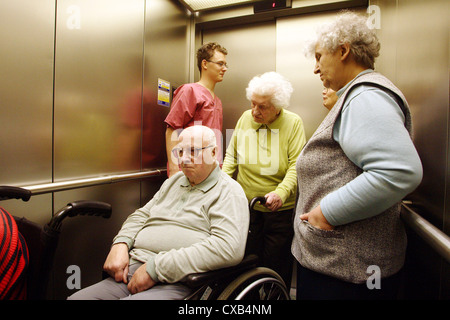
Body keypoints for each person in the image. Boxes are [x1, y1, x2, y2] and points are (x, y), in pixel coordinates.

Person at [292, 11, 423, 300]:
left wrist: (325, 214)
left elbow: (399, 170)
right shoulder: (353, 96)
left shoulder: (364, 96)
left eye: (318, 57)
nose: (316, 69)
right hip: (343, 266)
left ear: (343, 50)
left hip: (345, 273)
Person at [68, 125, 249, 300]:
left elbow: (227, 247)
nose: (184, 159)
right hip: (132, 270)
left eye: (193, 151)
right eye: (180, 152)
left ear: (213, 152)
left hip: (180, 280)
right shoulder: (175, 181)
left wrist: (156, 268)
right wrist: (121, 243)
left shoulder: (228, 191)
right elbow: (142, 215)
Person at [222, 72, 306, 288]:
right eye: (253, 104)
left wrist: (281, 192)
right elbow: (232, 156)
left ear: (277, 107)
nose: (255, 111)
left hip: (278, 212)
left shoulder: (293, 123)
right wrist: (221, 184)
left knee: (275, 268)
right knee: (245, 268)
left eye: (263, 107)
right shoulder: (244, 118)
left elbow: (296, 165)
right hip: (245, 208)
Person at [165, 42, 228, 177]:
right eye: (220, 64)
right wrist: (174, 169)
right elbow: (172, 130)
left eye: (225, 65)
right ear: (204, 64)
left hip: (211, 171)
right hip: (188, 169)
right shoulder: (189, 91)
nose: (224, 68)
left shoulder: (218, 101)